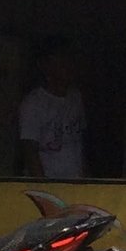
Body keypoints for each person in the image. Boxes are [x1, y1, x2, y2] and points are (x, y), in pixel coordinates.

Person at [19, 37, 86, 180]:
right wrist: (44, 187)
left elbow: (79, 142)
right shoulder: (34, 103)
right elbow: (30, 150)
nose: (68, 65)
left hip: (76, 183)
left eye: (70, 59)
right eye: (61, 60)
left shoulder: (75, 97)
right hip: (50, 184)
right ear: (45, 65)